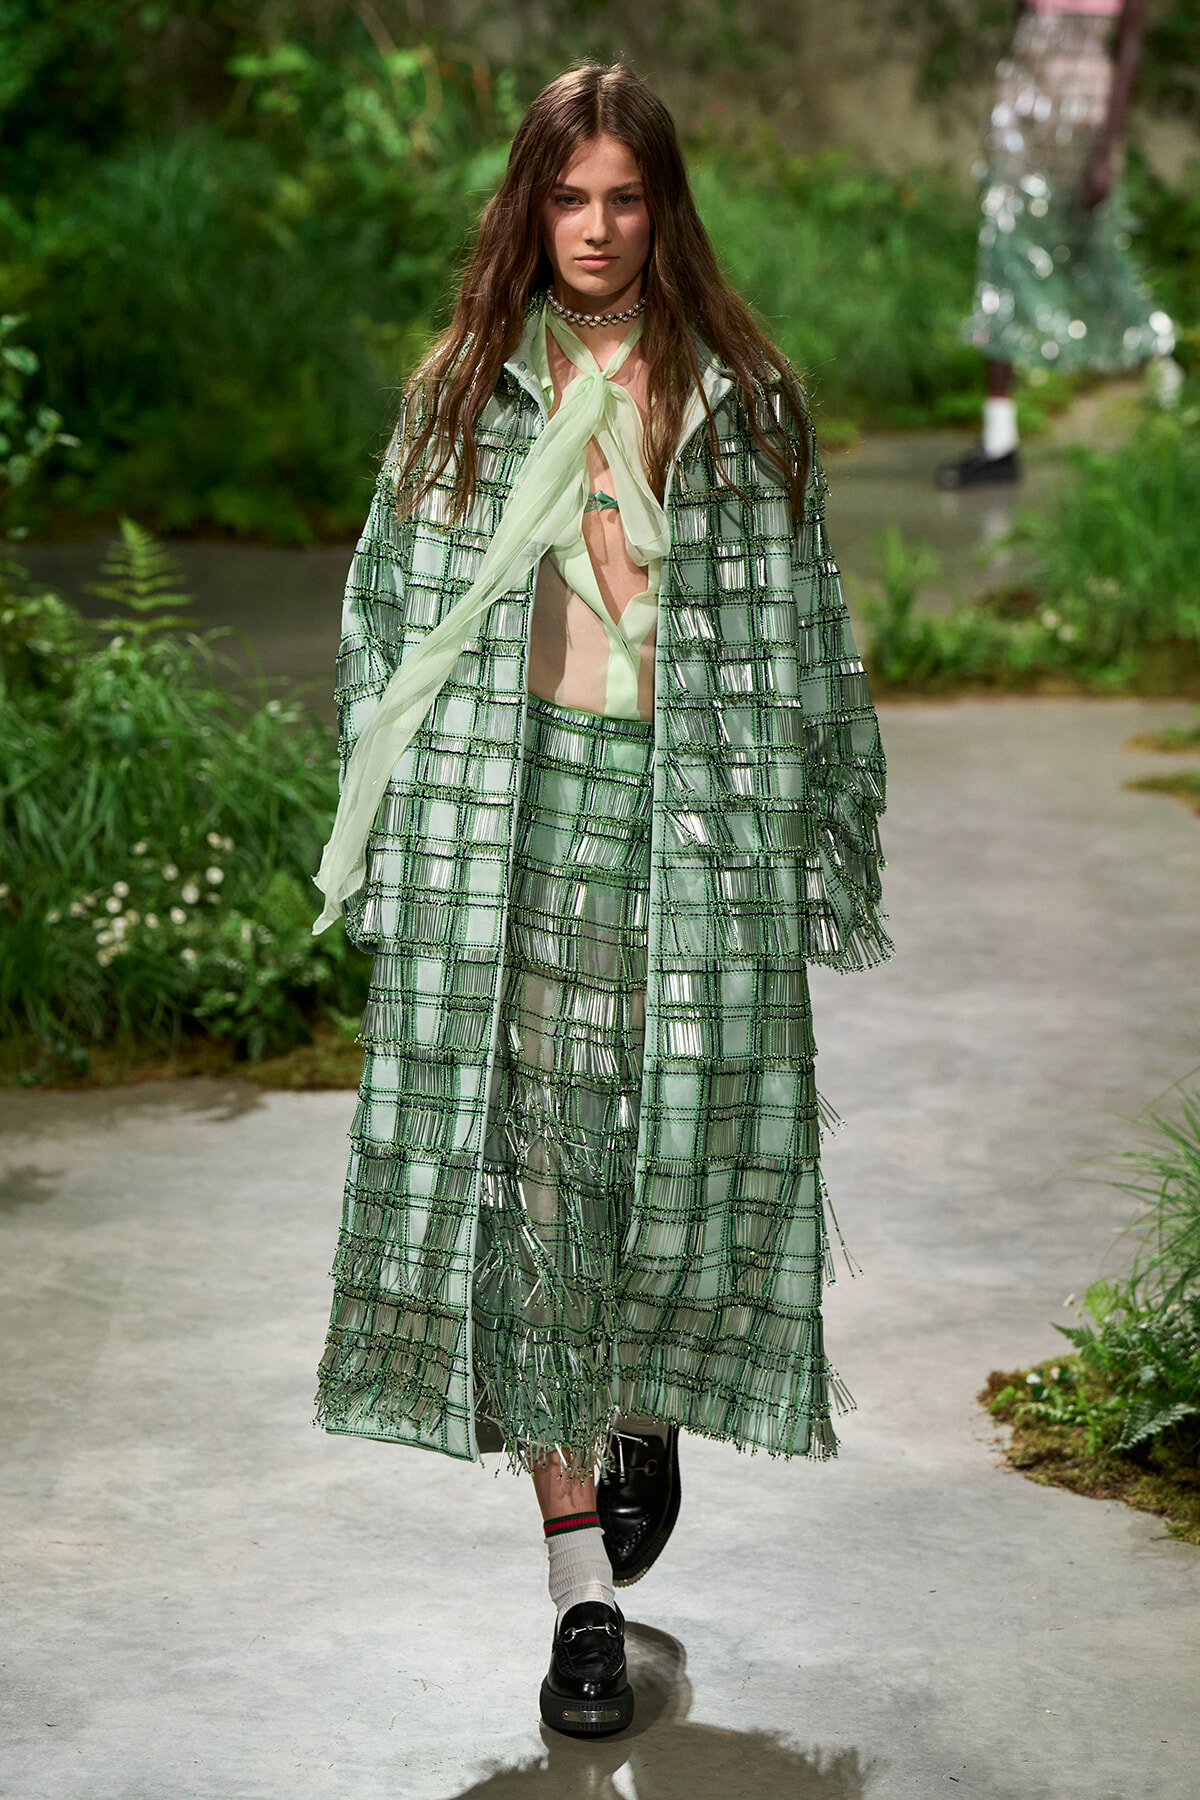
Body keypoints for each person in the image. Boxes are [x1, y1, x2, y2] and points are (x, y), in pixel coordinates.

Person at [311, 62, 890, 1738]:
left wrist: (804, 818)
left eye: (625, 198)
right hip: (517, 822)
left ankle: (645, 1407)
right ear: (528, 207)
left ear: (664, 210)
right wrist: (404, 828)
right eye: (568, 199)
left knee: (679, 1159)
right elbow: (383, 619)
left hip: (689, 827)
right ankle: (578, 1595)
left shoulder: (736, 399)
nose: (595, 228)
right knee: (534, 1200)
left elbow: (807, 625)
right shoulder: (464, 395)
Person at [938, 0, 1175, 490]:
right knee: (1002, 256)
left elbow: (1129, 47)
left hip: (1084, 116)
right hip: (1021, 106)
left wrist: (1106, 151)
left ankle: (1170, 379)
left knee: (1101, 255)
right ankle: (999, 441)